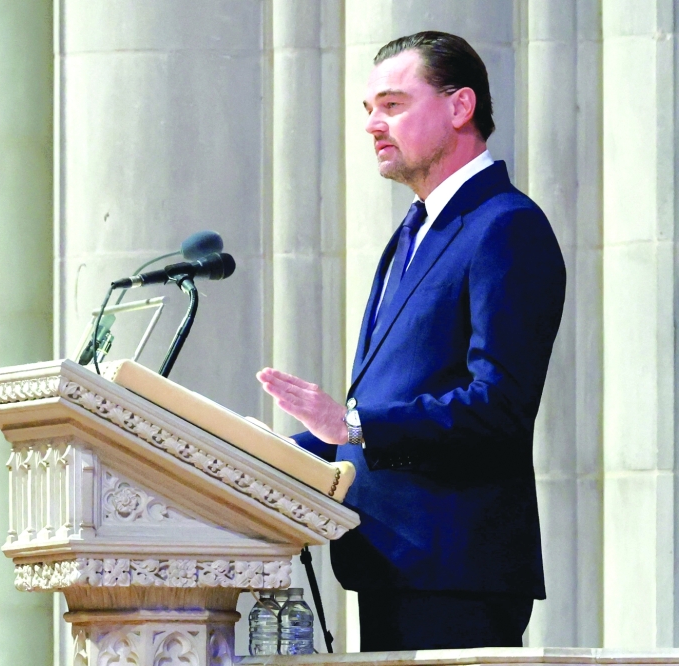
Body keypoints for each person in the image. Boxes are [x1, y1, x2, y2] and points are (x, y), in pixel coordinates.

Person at [256, 31, 566, 651]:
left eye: (392, 105)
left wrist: (352, 422)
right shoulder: (411, 233)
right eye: (369, 110)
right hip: (390, 563)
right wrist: (257, 453)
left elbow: (499, 406)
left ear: (460, 107)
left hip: (458, 572)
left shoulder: (507, 227)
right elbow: (388, 401)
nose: (373, 124)